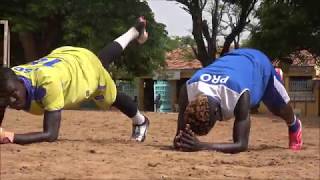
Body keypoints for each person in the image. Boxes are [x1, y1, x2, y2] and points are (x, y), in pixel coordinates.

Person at [0, 17, 150, 144]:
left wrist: (10, 137)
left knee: (111, 97)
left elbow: (51, 135)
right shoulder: (10, 78)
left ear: (20, 82)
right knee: (102, 60)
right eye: (5, 97)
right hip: (64, 56)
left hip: (85, 71)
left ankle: (140, 121)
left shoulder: (46, 84)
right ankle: (135, 30)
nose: (11, 100)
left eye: (13, 93)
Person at [173, 48, 303, 153]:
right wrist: (181, 139)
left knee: (277, 108)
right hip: (233, 60)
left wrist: (201, 146)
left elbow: (241, 144)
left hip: (258, 64)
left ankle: (294, 125)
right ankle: (274, 80)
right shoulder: (188, 88)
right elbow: (179, 135)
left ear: (216, 112)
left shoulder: (239, 94)